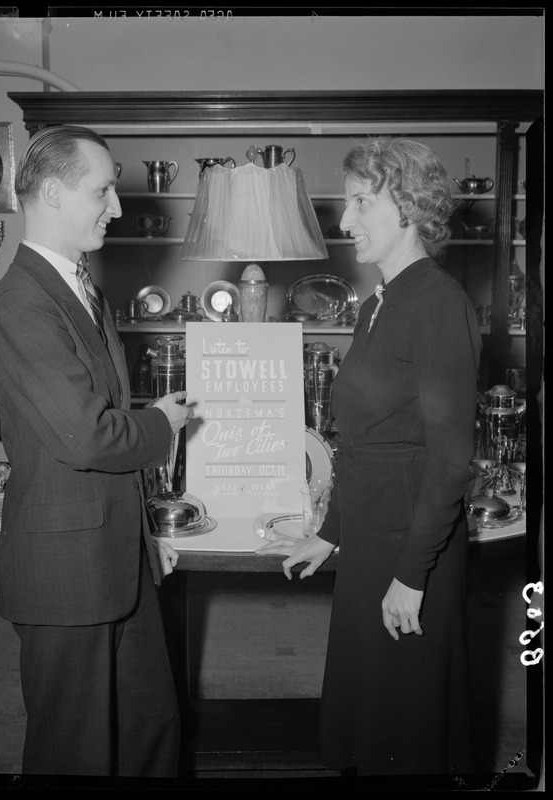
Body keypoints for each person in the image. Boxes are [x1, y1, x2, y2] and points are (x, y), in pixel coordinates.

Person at [258, 137, 481, 777]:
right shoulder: (381, 302)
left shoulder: (438, 304)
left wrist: (412, 577)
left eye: (361, 202)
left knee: (405, 727)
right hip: (372, 538)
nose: (345, 220)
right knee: (371, 714)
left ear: (408, 207)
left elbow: (450, 459)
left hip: (410, 549)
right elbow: (362, 440)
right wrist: (330, 535)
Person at [0, 125, 192, 778]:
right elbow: (87, 434)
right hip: (65, 574)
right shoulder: (21, 302)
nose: (119, 206)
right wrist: (163, 426)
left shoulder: (83, 289)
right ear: (51, 191)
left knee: (149, 727)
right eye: (103, 190)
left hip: (114, 556)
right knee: (73, 753)